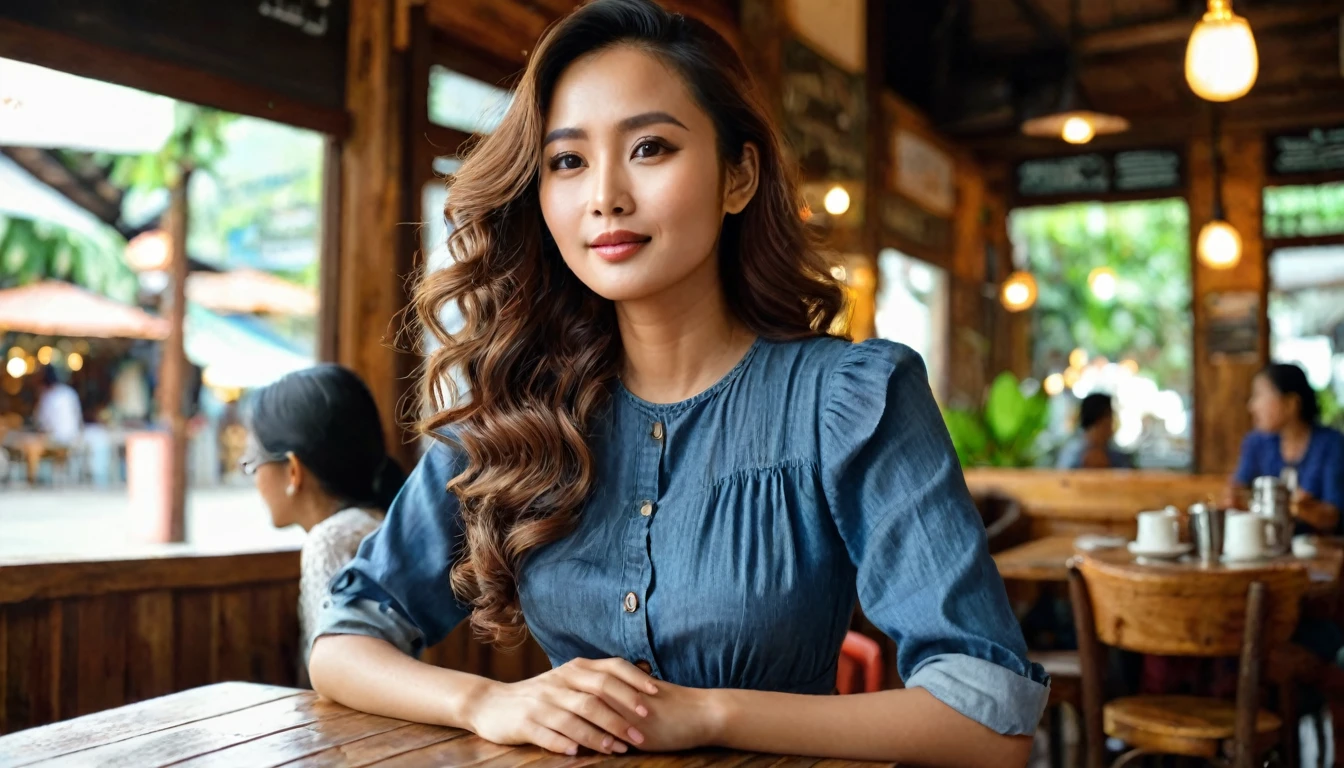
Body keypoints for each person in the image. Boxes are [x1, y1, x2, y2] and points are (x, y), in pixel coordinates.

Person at [308, 2, 1047, 765]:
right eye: (567, 162)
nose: (605, 196)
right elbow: (343, 640)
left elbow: (988, 717)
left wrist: (709, 714)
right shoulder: (517, 411)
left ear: (739, 176)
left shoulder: (854, 398)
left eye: (650, 148)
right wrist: (488, 703)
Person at [239, 364, 406, 683]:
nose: (254, 479)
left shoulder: (330, 541)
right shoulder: (377, 522)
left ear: (292, 471)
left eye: (251, 463)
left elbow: (338, 678)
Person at [1227, 363, 1344, 533]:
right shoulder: (1256, 442)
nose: (1252, 406)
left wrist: (1300, 508)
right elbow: (1237, 491)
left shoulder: (1331, 443)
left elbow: (1334, 517)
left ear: (1291, 403)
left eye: (1259, 395)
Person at [1056, 393, 1133, 469]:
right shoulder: (1073, 453)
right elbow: (1063, 478)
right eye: (1110, 416)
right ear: (1100, 419)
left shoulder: (1115, 453)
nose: (1112, 422)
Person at [35, 365, 83, 446]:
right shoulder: (69, 392)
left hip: (56, 441)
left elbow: (41, 422)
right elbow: (78, 416)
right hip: (74, 438)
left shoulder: (48, 396)